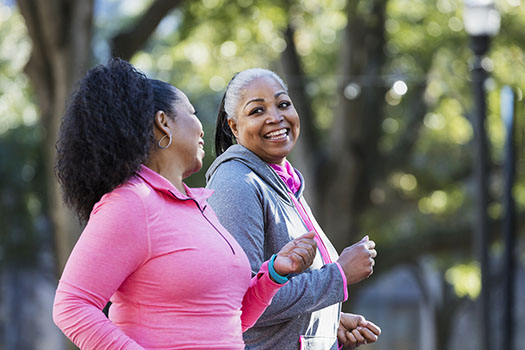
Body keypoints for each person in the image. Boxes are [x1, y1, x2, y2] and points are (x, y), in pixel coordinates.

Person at [52, 58, 319, 350]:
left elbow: (229, 318)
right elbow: (72, 305)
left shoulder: (199, 207)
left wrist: (275, 273)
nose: (202, 128)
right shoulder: (131, 202)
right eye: (191, 113)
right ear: (163, 122)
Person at [206, 68, 381, 350]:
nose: (275, 117)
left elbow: (283, 295)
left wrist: (326, 321)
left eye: (283, 104)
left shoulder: (283, 181)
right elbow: (244, 301)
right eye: (257, 111)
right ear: (234, 127)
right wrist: (338, 275)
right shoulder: (236, 182)